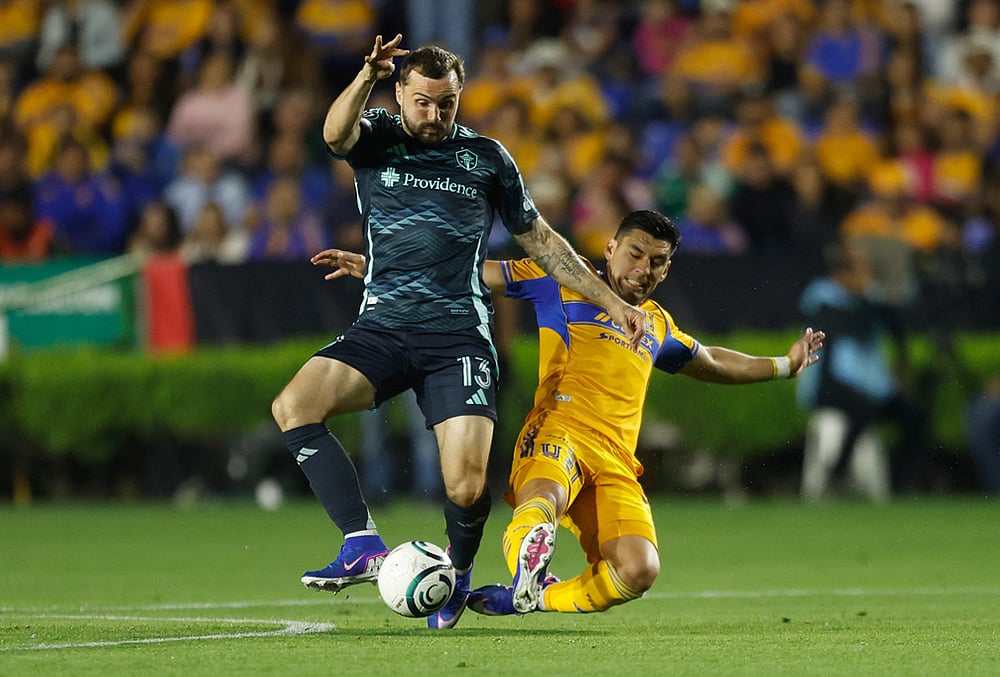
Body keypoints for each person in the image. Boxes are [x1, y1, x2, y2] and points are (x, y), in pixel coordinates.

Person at [269, 34, 646, 631]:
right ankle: (362, 541)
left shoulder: (488, 159)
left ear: (459, 97)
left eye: (446, 103)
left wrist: (609, 301)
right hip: (384, 328)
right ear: (399, 94)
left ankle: (459, 574)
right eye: (422, 102)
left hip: (458, 340)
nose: (433, 115)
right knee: (294, 405)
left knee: (467, 486)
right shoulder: (378, 137)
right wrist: (365, 74)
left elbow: (544, 243)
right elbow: (332, 136)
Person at [323, 209, 824, 616]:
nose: (642, 269)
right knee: (545, 497)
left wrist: (784, 364)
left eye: (657, 262)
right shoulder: (559, 278)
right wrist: (379, 267)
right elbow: (469, 274)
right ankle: (531, 547)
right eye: (635, 253)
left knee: (638, 570)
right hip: (557, 427)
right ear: (610, 249)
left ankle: (535, 595)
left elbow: (710, 360)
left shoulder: (657, 325)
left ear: (667, 269)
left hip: (616, 462)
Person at [796, 239, 924, 500]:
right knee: (863, 410)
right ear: (842, 273)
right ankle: (836, 475)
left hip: (871, 385)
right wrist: (866, 295)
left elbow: (897, 326)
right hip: (829, 385)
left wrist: (901, 367)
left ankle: (899, 482)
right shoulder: (822, 295)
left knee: (914, 417)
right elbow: (850, 326)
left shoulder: (868, 296)